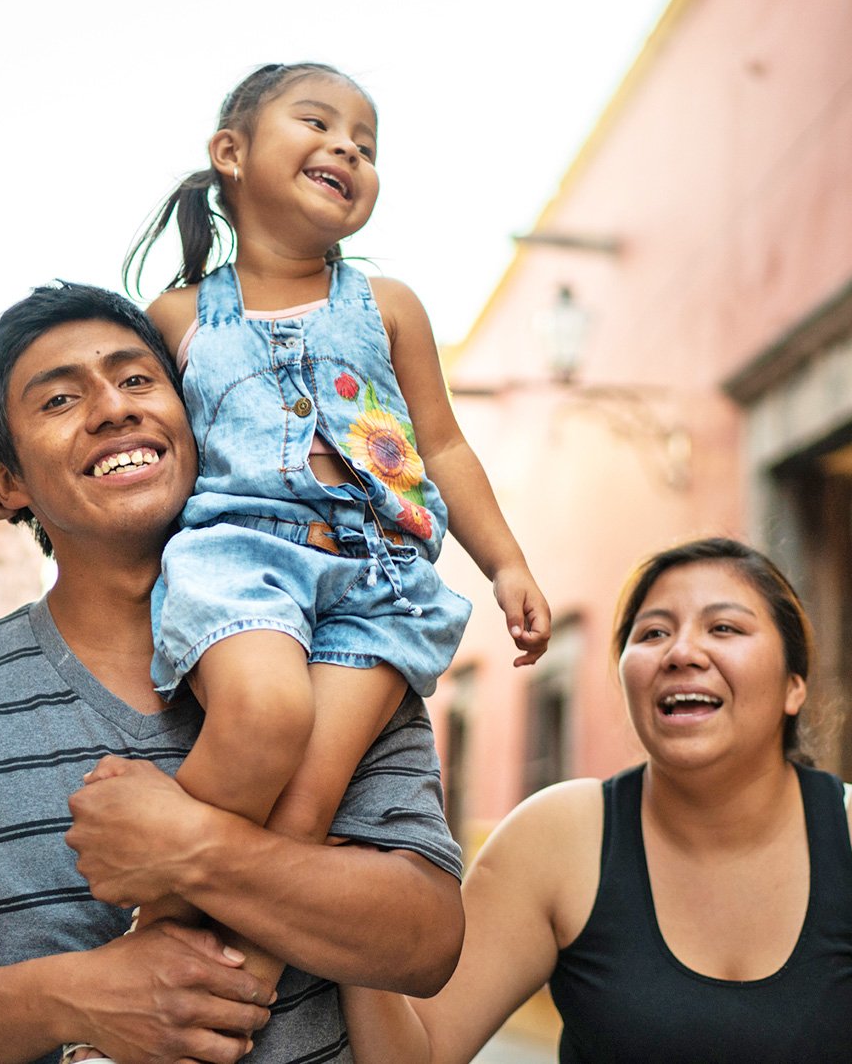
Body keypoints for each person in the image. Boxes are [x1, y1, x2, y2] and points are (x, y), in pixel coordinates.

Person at [0, 281, 465, 1064]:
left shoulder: (340, 665)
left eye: (138, 380)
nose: (113, 408)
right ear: (2, 480)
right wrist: (77, 997)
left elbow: (426, 941)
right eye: (60, 399)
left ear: (200, 416)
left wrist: (194, 847)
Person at [92, 58, 549, 1025]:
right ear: (231, 154)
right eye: (319, 123)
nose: (348, 148)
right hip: (240, 557)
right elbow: (142, 445)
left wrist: (506, 561)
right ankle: (138, 958)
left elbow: (446, 446)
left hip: (382, 577)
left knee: (305, 804)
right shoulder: (176, 318)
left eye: (368, 145)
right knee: (261, 718)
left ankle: (225, 996)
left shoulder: (389, 307)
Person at [342, 537, 852, 1062]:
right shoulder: (559, 835)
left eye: (724, 627)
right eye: (652, 633)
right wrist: (347, 912)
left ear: (793, 687)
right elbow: (416, 1053)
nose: (682, 653)